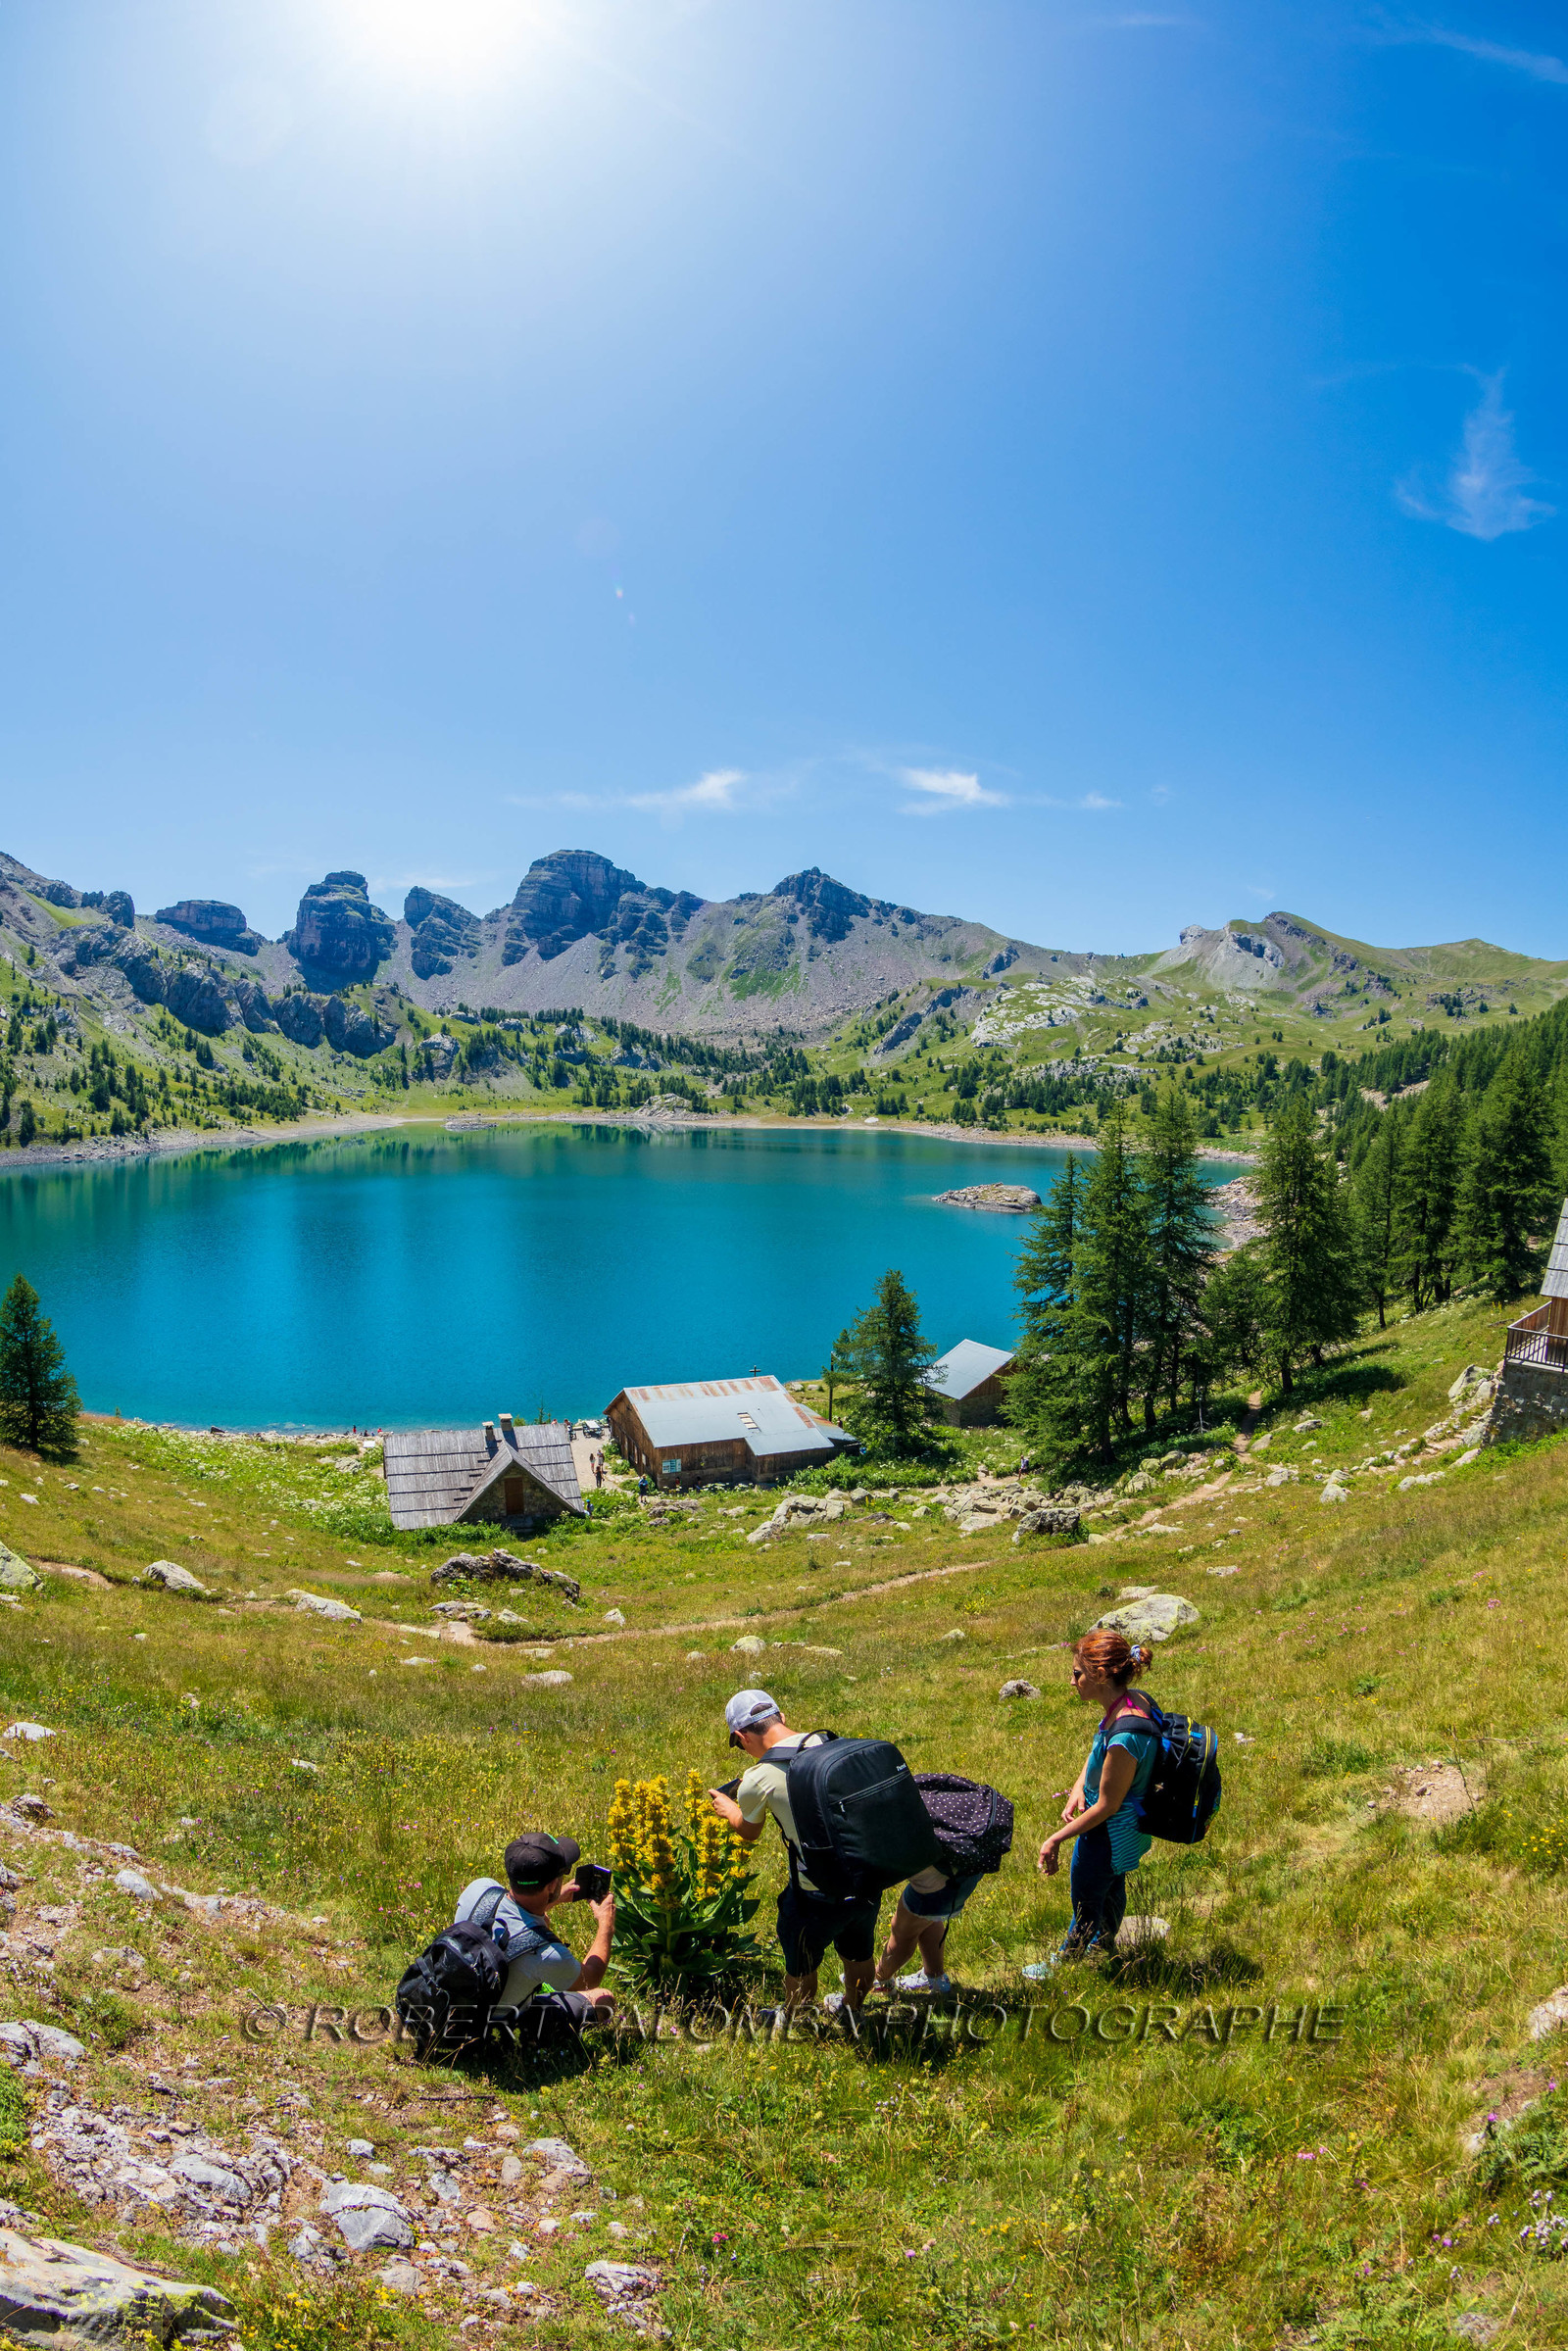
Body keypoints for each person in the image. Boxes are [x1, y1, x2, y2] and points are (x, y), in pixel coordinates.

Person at [709, 1690, 879, 2019]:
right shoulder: (829, 1743)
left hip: (813, 1892)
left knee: (800, 1966)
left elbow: (749, 1831)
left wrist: (730, 1808)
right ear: (782, 1718)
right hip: (865, 1877)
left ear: (740, 1737)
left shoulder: (756, 1780)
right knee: (858, 1954)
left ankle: (797, 2018)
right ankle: (853, 2010)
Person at [1022, 1632, 1156, 1978]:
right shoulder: (1131, 1702)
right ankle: (1105, 1942)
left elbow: (1108, 1805)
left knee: (1086, 1894)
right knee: (1112, 1885)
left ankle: (1066, 1962)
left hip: (1109, 1833)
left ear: (1099, 1675)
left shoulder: (1126, 1735)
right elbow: (1101, 1743)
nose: (1071, 1681)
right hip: (1126, 1832)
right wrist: (1080, 1787)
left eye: (1077, 1673)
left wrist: (1056, 1838)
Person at [453, 1831, 616, 2028]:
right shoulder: (546, 1953)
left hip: (454, 2002)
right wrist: (606, 1925)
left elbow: (513, 1914)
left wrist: (551, 1900)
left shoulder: (480, 1889)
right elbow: (590, 1978)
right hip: (493, 2025)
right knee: (604, 1999)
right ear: (552, 1885)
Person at [869, 1857, 981, 1997]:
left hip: (938, 1882)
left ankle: (880, 1981)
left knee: (902, 1933)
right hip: (967, 1872)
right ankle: (935, 1978)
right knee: (928, 1917)